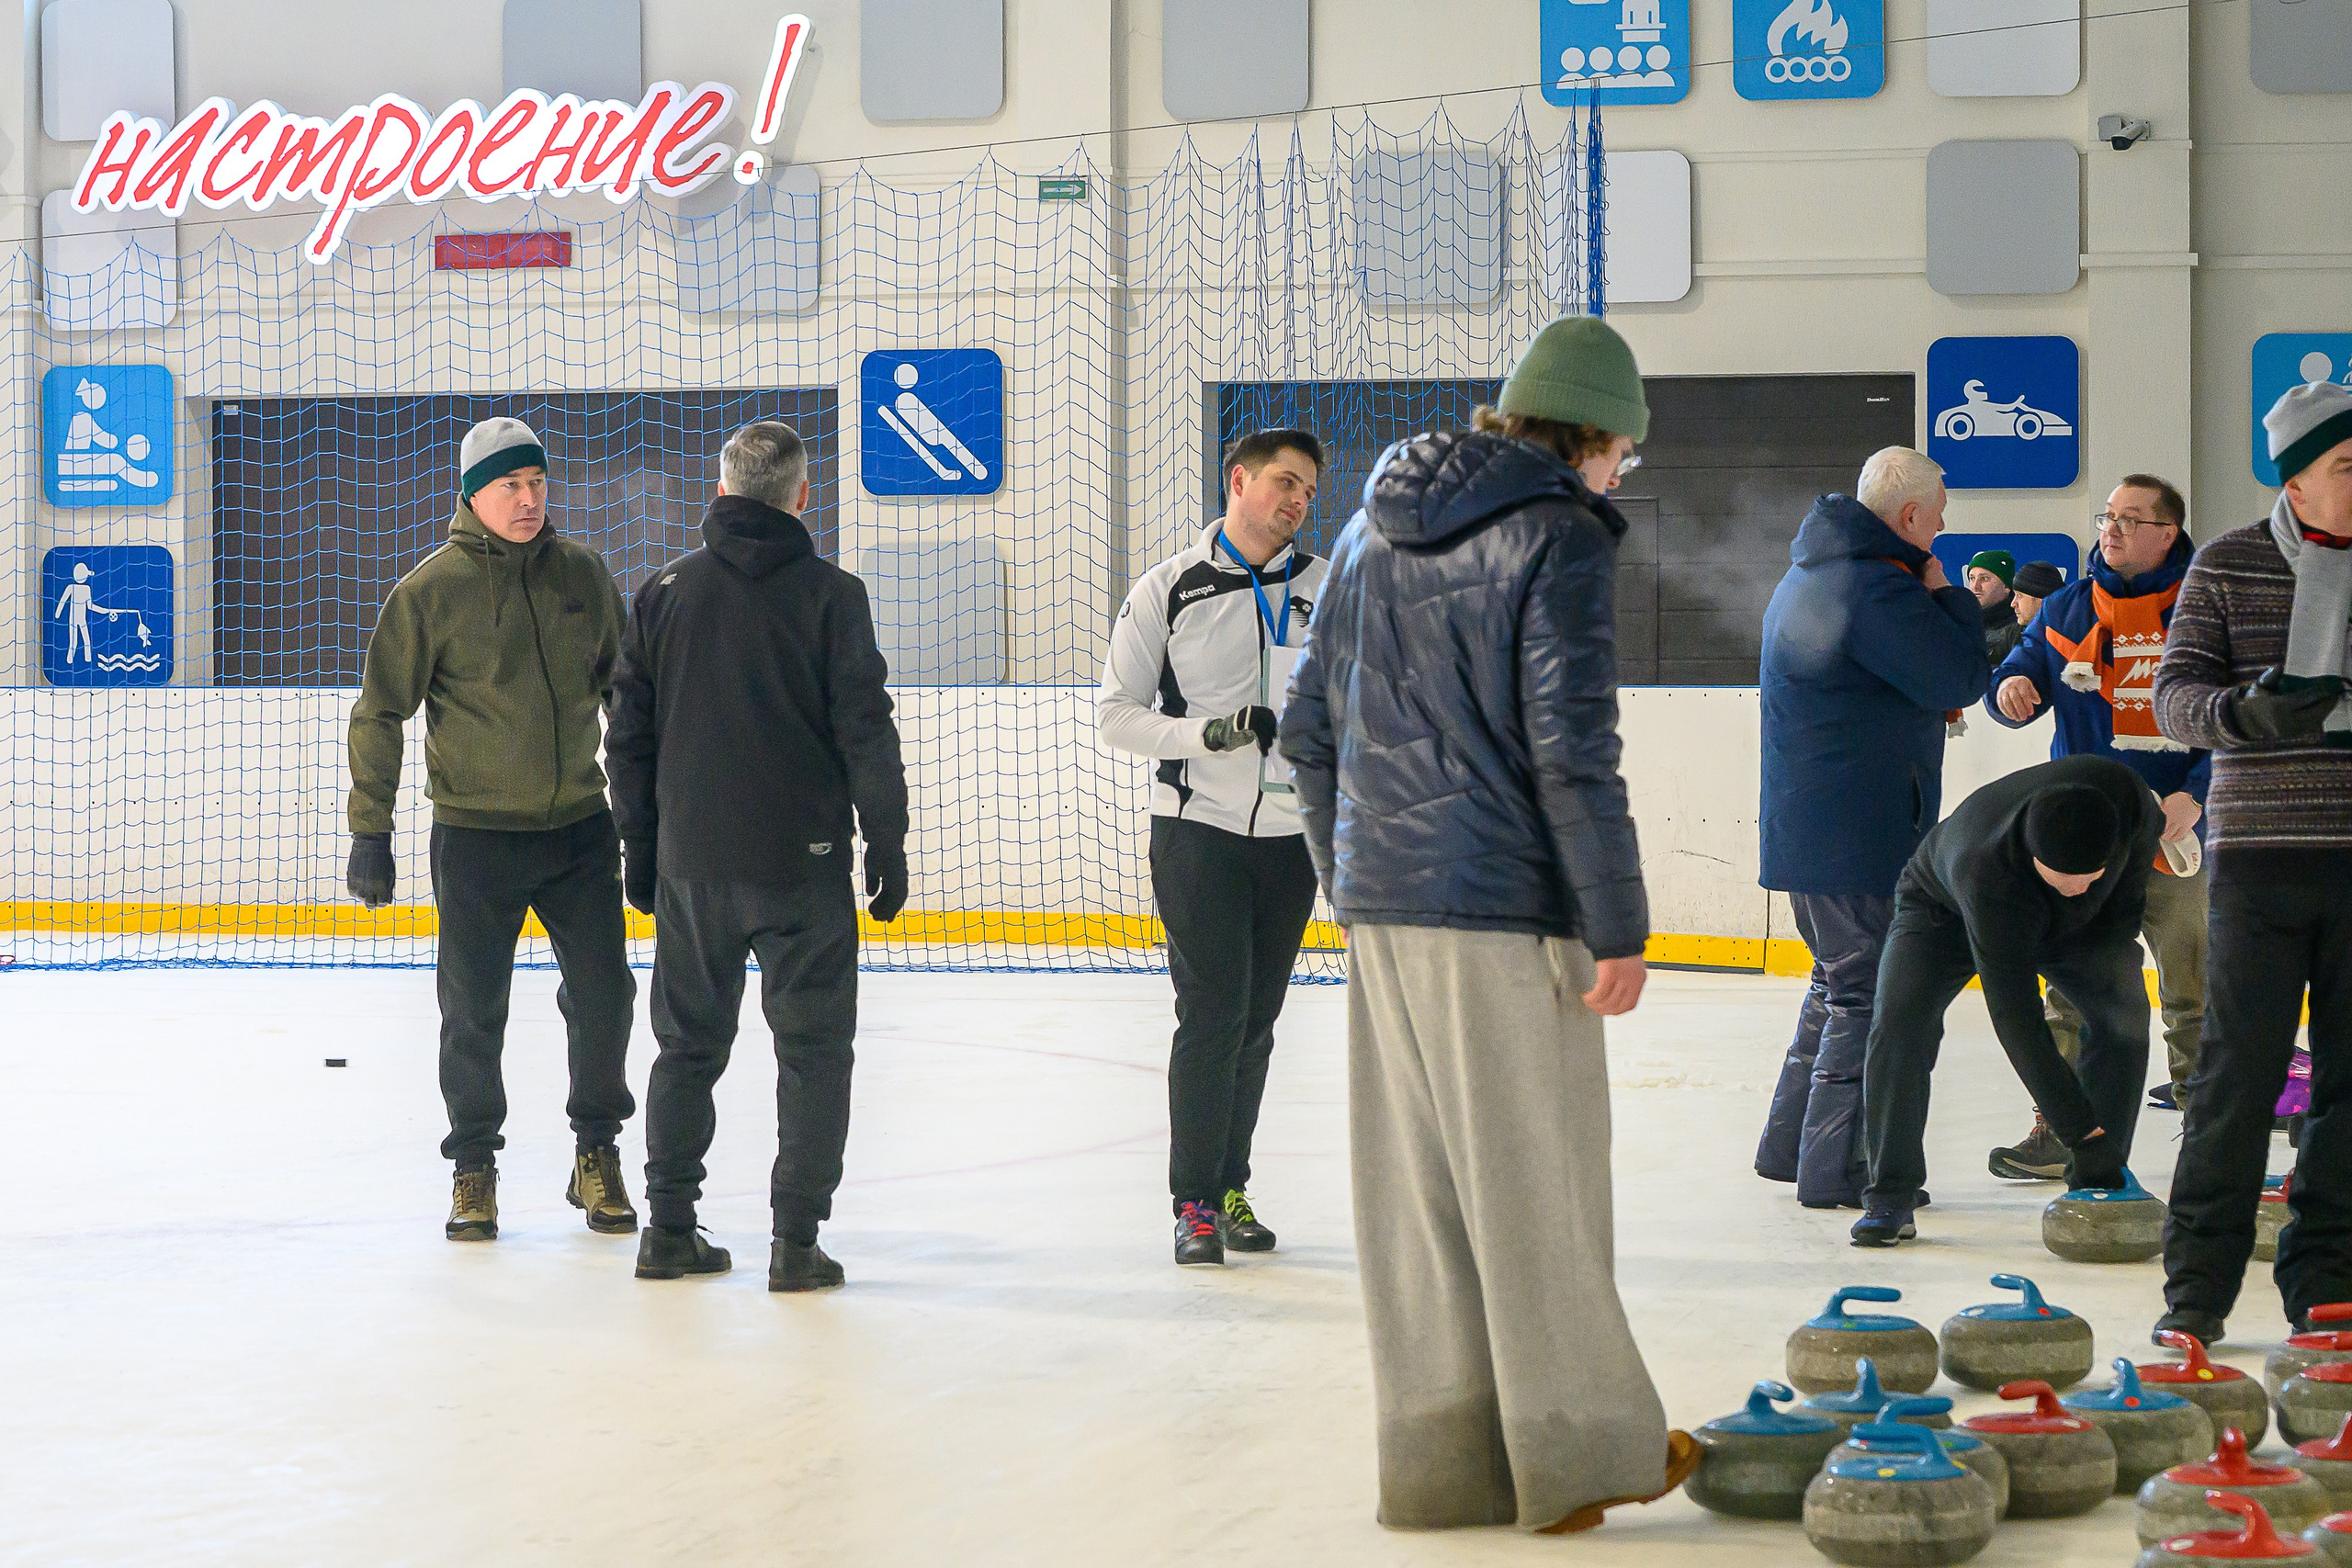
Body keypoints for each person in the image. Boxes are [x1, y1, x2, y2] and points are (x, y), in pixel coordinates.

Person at [1282, 316, 1695, 1535]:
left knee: (1417, 1206)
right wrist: (1616, 922)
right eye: (1624, 452)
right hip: (1506, 909)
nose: (1622, 474)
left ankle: (1443, 1467)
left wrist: (1351, 882)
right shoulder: (1558, 534)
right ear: (1597, 437)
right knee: (1535, 1188)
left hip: (1386, 914)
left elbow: (1307, 730)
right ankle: (1578, 1459)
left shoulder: (1363, 527)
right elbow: (1574, 745)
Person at [605, 422, 909, 1291]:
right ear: (801, 496)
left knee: (685, 1050)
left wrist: (639, 846)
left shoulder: (662, 592)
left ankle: (668, 1229)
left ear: (722, 489)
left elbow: (627, 737)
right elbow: (864, 728)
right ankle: (796, 1244)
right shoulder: (833, 595)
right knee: (814, 1051)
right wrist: (883, 838)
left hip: (692, 864)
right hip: (802, 868)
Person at [345, 417, 638, 1243]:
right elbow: (380, 711)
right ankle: (473, 1168)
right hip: (476, 837)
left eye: (538, 482)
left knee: (607, 995)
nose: (528, 498)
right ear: (471, 493)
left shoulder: (582, 575)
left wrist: (645, 810)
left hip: (580, 827)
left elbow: (628, 697)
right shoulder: (431, 591)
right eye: (510, 485)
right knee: (472, 1010)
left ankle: (597, 1155)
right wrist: (372, 830)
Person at [1096, 427, 1329, 1268]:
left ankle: (1232, 1187)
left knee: (1258, 1020)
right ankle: (1191, 1202)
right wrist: (1212, 734)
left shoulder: (1323, 589)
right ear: (1238, 481)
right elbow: (1115, 712)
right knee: (1212, 1014)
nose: (1297, 501)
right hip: (1196, 831)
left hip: (1290, 842)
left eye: (1307, 489)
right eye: (1283, 482)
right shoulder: (1170, 588)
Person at [2151, 381, 2352, 1347]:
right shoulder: (2228, 565)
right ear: (2299, 484)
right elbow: (2171, 696)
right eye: (2349, 468)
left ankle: (2323, 1284)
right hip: (2261, 866)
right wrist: (2244, 717)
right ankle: (2195, 1292)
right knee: (2235, 1081)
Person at [1756, 448, 1991, 1210]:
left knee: (1837, 986)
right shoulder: (1876, 587)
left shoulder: (1811, 573)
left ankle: (1790, 1150)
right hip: (1862, 835)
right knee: (1871, 997)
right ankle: (1843, 1171)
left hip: (1812, 831)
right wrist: (1950, 596)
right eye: (1940, 518)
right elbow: (1959, 677)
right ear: (1913, 519)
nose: (1943, 530)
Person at [1984, 475, 2210, 1179]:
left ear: (2167, 534)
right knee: (2069, 994)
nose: (2110, 529)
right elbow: (2012, 682)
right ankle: (2060, 1129)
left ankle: (2209, 1137)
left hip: (2176, 836)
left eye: (2130, 519)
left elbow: (2232, 718)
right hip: (2085, 844)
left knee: (2193, 995)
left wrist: (2197, 795)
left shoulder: (2204, 612)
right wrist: (2009, 692)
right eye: (2107, 515)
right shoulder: (2065, 608)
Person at [1855, 756, 2163, 1246]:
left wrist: (2109, 975)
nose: (2079, 887)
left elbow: (2122, 915)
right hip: (1943, 914)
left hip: (2078, 930)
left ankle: (2098, 1181)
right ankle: (1890, 1193)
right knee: (1899, 1025)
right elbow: (2015, 1018)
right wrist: (2079, 1128)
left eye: (2092, 876)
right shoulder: (1984, 869)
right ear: (2033, 855)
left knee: (2123, 1020)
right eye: (2064, 877)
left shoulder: (2137, 812)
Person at [1964, 548, 2025, 664]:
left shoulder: (2018, 630)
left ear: (2006, 587)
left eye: (1984, 579)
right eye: (1972, 578)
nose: (1975, 587)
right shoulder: (1962, 623)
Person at [2012, 558, 2065, 630]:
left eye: (2019, 595)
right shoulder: (2014, 635)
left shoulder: (2067, 637)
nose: (2013, 604)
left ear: (2041, 599)